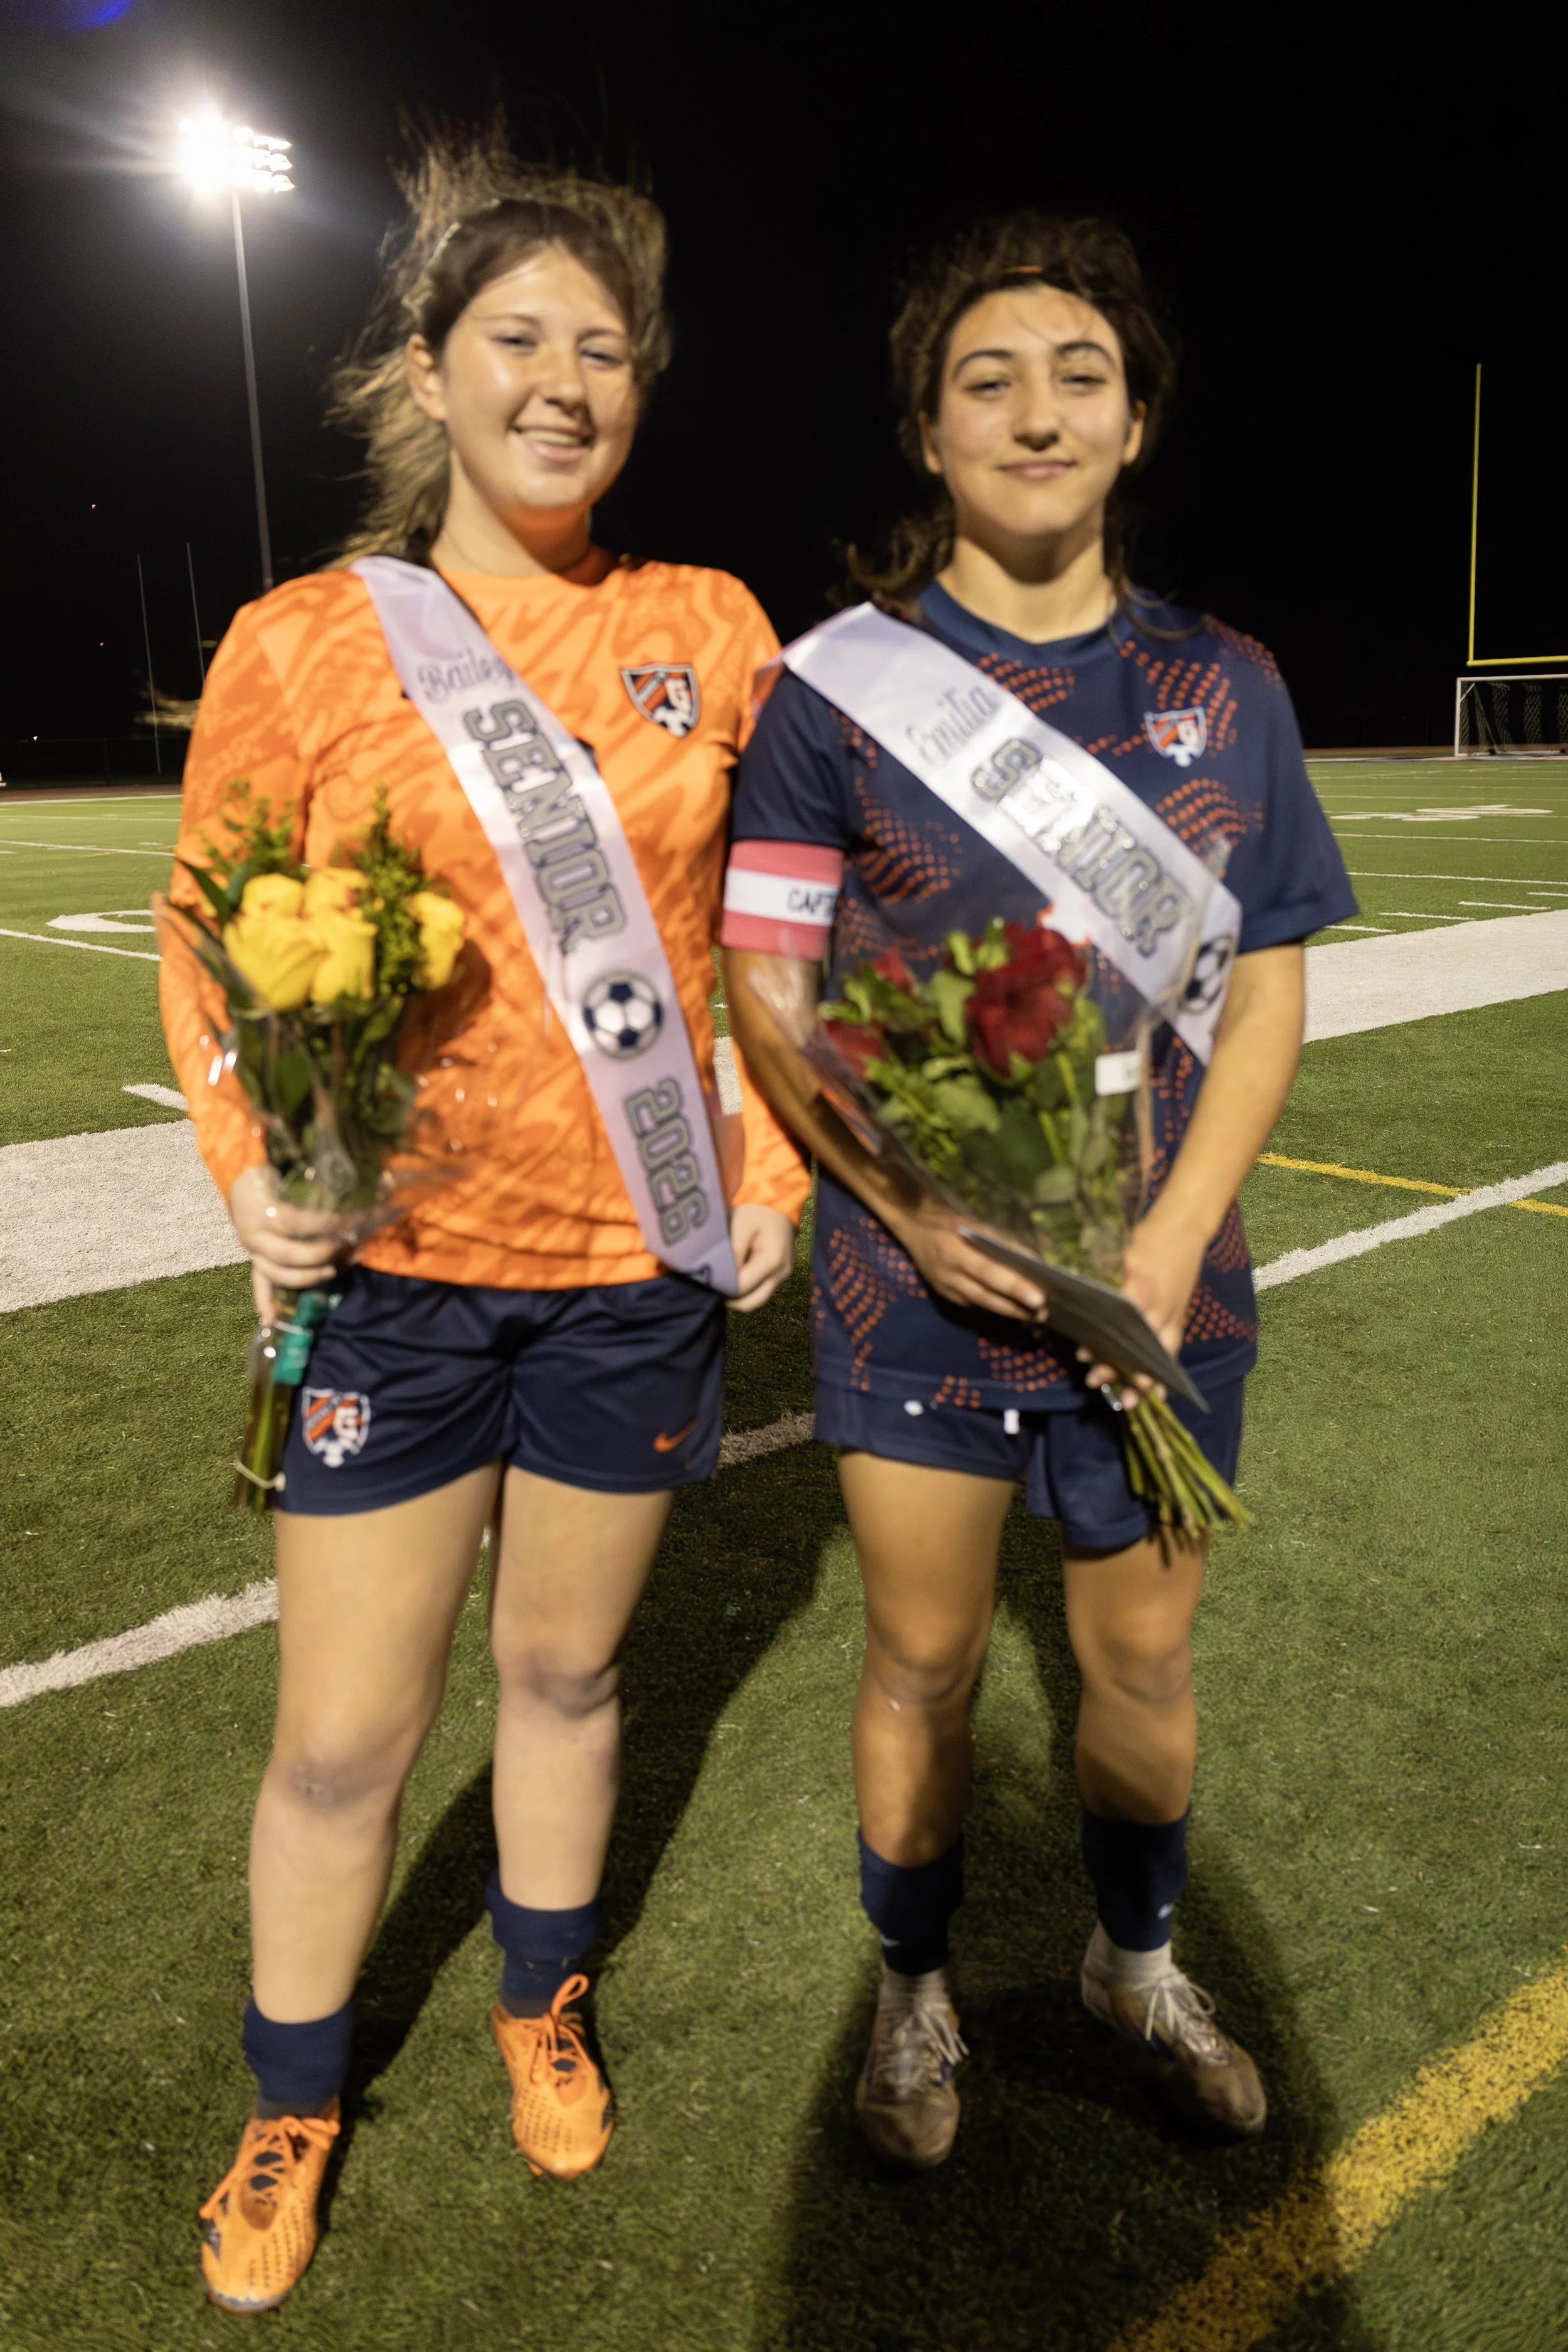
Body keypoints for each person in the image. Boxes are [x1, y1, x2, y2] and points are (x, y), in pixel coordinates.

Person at [161, 137, 806, 2314]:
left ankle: (541, 1994)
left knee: (564, 1669)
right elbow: (207, 932)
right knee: (343, 1735)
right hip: (395, 1285)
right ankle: (293, 2092)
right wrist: (251, 1164)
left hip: (629, 1274)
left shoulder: (707, 630)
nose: (561, 382)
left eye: (602, 349)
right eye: (515, 340)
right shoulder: (305, 640)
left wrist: (785, 1170)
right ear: (428, 373)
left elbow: (780, 946)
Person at [722, 213, 1355, 2168]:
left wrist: (1162, 1243)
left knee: (1140, 1663)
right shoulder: (839, 686)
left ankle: (1128, 1957)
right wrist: (904, 1214)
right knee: (915, 1658)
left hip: (1163, 1285)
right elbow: (769, 988)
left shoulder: (1223, 678)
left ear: (1136, 420)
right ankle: (911, 1992)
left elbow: (1264, 985)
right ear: (926, 431)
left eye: (1077, 373)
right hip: (902, 1285)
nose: (1034, 409)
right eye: (984, 377)